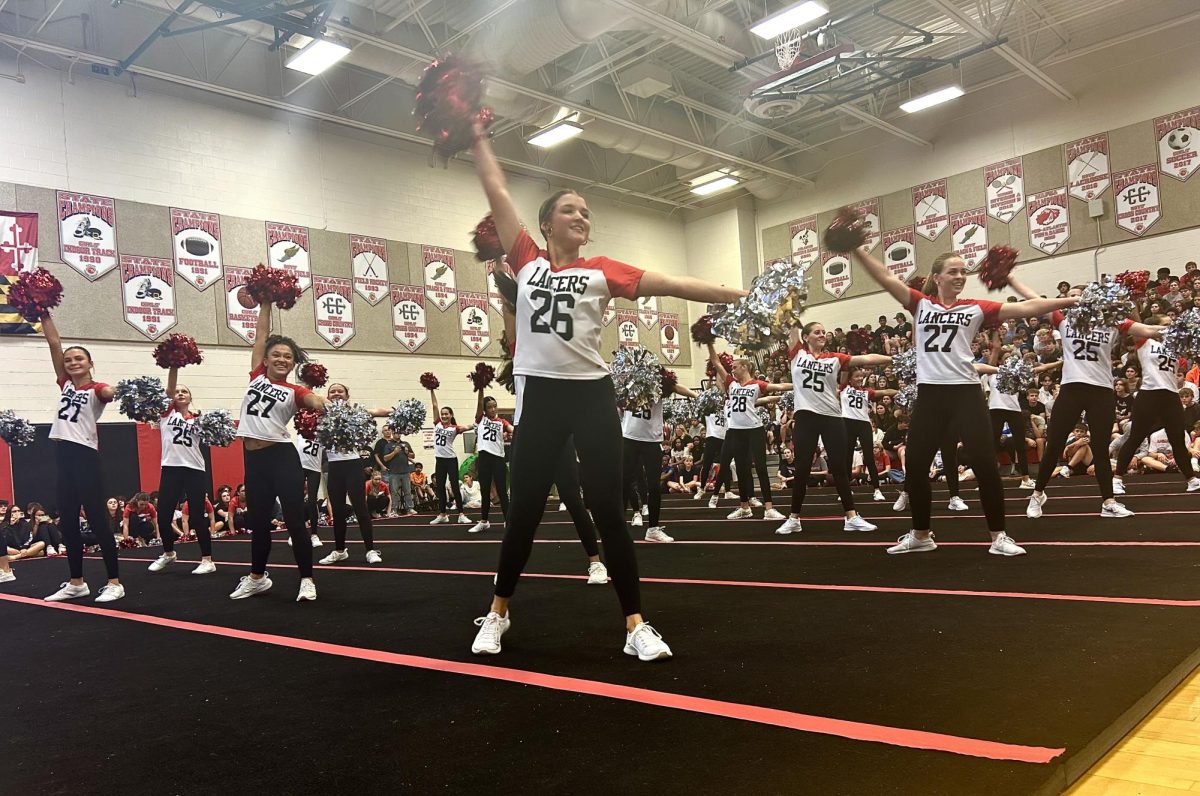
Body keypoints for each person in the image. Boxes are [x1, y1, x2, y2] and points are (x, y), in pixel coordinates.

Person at [466, 118, 743, 661]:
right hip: (540, 398)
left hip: (591, 395)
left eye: (586, 212)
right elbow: (496, 189)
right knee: (522, 513)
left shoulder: (601, 270)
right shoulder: (525, 261)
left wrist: (740, 294)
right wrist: (477, 134)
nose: (581, 216)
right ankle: (497, 612)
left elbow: (676, 284)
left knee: (608, 510)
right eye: (570, 209)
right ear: (545, 224)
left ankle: (636, 624)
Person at [851, 247, 1075, 555]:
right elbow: (885, 276)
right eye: (953, 271)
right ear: (937, 277)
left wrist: (1073, 301)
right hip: (930, 394)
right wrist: (856, 250)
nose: (960, 276)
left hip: (965, 394)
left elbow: (1028, 308)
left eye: (963, 272)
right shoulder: (920, 305)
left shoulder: (976, 308)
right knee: (915, 466)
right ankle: (920, 534)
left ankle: (998, 536)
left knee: (985, 464)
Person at [1006, 278, 1165, 518]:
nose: (1080, 300)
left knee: (1100, 449)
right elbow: (1035, 299)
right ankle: (1038, 493)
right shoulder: (1065, 321)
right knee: (1054, 445)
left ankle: (1108, 502)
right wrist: (1010, 278)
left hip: (1100, 391)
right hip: (1071, 389)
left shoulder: (1113, 323)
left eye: (1084, 295)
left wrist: (1177, 329)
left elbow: (1147, 330)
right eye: (1075, 296)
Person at [228, 301, 327, 602]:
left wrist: (319, 402)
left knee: (295, 520)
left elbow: (313, 401)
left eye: (288, 357)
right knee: (258, 522)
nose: (282, 359)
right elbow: (261, 333)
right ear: (267, 360)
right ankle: (257, 577)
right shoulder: (256, 375)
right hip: (254, 460)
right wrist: (267, 302)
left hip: (282, 457)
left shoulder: (294, 391)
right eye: (277, 355)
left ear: (293, 363)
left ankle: (307, 579)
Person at [38, 314, 124, 602]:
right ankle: (77, 582)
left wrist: (116, 391)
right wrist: (43, 311)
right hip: (62, 455)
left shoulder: (96, 389)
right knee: (69, 523)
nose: (73, 362)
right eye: (69, 360)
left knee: (98, 520)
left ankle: (114, 581)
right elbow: (53, 342)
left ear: (90, 364)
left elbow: (109, 392)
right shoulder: (65, 384)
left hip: (85, 456)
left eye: (79, 359)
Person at [773, 321, 886, 535]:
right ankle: (794, 518)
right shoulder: (798, 354)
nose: (822, 335)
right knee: (802, 467)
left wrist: (897, 358)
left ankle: (851, 517)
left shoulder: (834, 358)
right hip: (805, 416)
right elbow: (792, 327)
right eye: (817, 332)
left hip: (832, 417)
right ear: (806, 337)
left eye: (824, 332)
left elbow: (865, 359)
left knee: (840, 468)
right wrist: (790, 306)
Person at [1112, 316, 1200, 494]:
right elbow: (1129, 324)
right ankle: (1117, 478)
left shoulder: (1176, 345)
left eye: (1171, 324)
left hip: (1170, 396)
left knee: (1177, 439)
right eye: (1166, 324)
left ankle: (1191, 479)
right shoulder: (1144, 340)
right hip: (1149, 394)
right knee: (1135, 436)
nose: (1170, 327)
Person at [147, 369, 217, 574]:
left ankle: (207, 560)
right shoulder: (167, 413)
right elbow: (168, 391)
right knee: (163, 515)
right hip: (171, 468)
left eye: (184, 391)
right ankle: (168, 553)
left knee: (196, 516)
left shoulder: (199, 419)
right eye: (177, 391)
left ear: (190, 397)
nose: (179, 393)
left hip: (195, 469)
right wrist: (174, 367)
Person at [707, 343, 787, 521]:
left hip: (754, 430)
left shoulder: (757, 385)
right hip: (736, 431)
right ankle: (744, 507)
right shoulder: (731, 384)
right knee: (742, 469)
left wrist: (799, 385)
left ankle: (769, 508)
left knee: (760, 468)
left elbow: (779, 388)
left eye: (735, 366)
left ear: (745, 367)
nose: (732, 369)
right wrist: (708, 342)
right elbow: (716, 362)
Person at [317, 383, 390, 565]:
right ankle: (340, 550)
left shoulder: (354, 413)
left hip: (352, 465)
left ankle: (370, 550)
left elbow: (375, 411)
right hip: (333, 468)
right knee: (338, 512)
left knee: (361, 509)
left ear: (347, 396)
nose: (336, 394)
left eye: (340, 391)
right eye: (332, 391)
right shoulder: (322, 413)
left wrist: (395, 411)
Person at [622, 379, 697, 543]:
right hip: (629, 438)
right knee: (623, 482)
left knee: (654, 485)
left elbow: (676, 387)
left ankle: (653, 529)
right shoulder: (628, 381)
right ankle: (618, 528)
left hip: (651, 441)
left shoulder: (659, 385)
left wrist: (695, 395)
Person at [841, 368, 897, 502]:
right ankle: (846, 490)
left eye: (861, 377)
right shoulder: (844, 388)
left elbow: (884, 392)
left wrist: (901, 391)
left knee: (869, 457)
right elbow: (844, 368)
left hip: (863, 424)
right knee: (848, 457)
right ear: (849, 379)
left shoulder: (867, 391)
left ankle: (877, 489)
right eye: (856, 377)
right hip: (848, 423)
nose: (860, 379)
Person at [428, 386, 474, 526]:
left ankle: (461, 514)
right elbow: (435, 405)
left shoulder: (455, 428)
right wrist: (431, 389)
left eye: (447, 414)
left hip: (451, 460)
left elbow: (468, 426)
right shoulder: (437, 424)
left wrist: (479, 422)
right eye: (443, 414)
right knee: (440, 487)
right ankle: (443, 514)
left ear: (451, 415)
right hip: (439, 460)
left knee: (455, 486)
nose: (444, 416)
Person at [469, 393, 512, 533]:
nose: (493, 409)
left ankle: (508, 521)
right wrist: (480, 385)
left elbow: (512, 429)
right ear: (485, 410)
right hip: (484, 459)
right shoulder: (481, 419)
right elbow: (479, 405)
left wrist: (514, 432)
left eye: (495, 406)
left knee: (502, 491)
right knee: (485, 491)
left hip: (498, 459)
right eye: (489, 407)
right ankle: (484, 521)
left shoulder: (502, 422)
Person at [373, 426, 415, 516]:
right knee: (394, 492)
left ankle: (410, 508)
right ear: (393, 433)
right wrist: (394, 452)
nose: (398, 435)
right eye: (396, 433)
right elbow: (385, 458)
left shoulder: (406, 444)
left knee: (407, 491)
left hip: (405, 471)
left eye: (399, 433)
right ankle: (394, 510)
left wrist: (408, 453)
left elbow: (413, 456)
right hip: (394, 472)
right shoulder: (388, 445)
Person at [293, 432, 326, 542]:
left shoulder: (321, 433)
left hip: (314, 469)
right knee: (297, 499)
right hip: (300, 467)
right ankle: (295, 533)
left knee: (312, 501)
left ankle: (314, 534)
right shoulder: (302, 431)